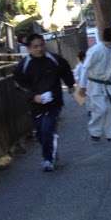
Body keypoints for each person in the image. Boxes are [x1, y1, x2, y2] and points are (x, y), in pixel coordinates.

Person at [12, 33, 76, 172]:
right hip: (35, 105)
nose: (39, 49)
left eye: (41, 45)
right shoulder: (24, 65)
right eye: (35, 47)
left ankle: (48, 160)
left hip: (54, 102)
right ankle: (50, 152)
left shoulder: (54, 59)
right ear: (29, 48)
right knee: (40, 133)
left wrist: (70, 85)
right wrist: (33, 96)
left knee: (47, 129)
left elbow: (66, 70)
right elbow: (18, 84)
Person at [83, 25, 111, 141]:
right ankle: (95, 132)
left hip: (108, 83)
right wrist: (82, 85)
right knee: (100, 109)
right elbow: (85, 68)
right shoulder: (95, 50)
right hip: (95, 84)